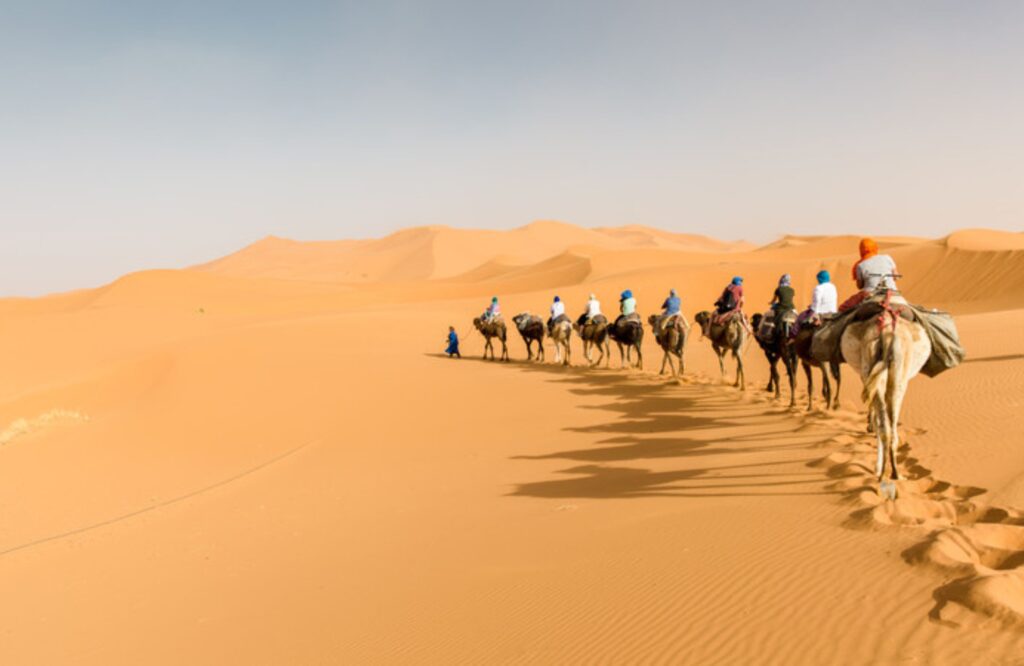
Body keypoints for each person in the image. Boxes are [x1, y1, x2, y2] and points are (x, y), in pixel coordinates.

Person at [839, 238, 899, 311]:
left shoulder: (860, 265)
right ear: (875, 247)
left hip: (870, 294)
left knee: (843, 307)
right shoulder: (887, 258)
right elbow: (895, 277)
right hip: (893, 292)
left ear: (861, 251)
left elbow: (859, 286)